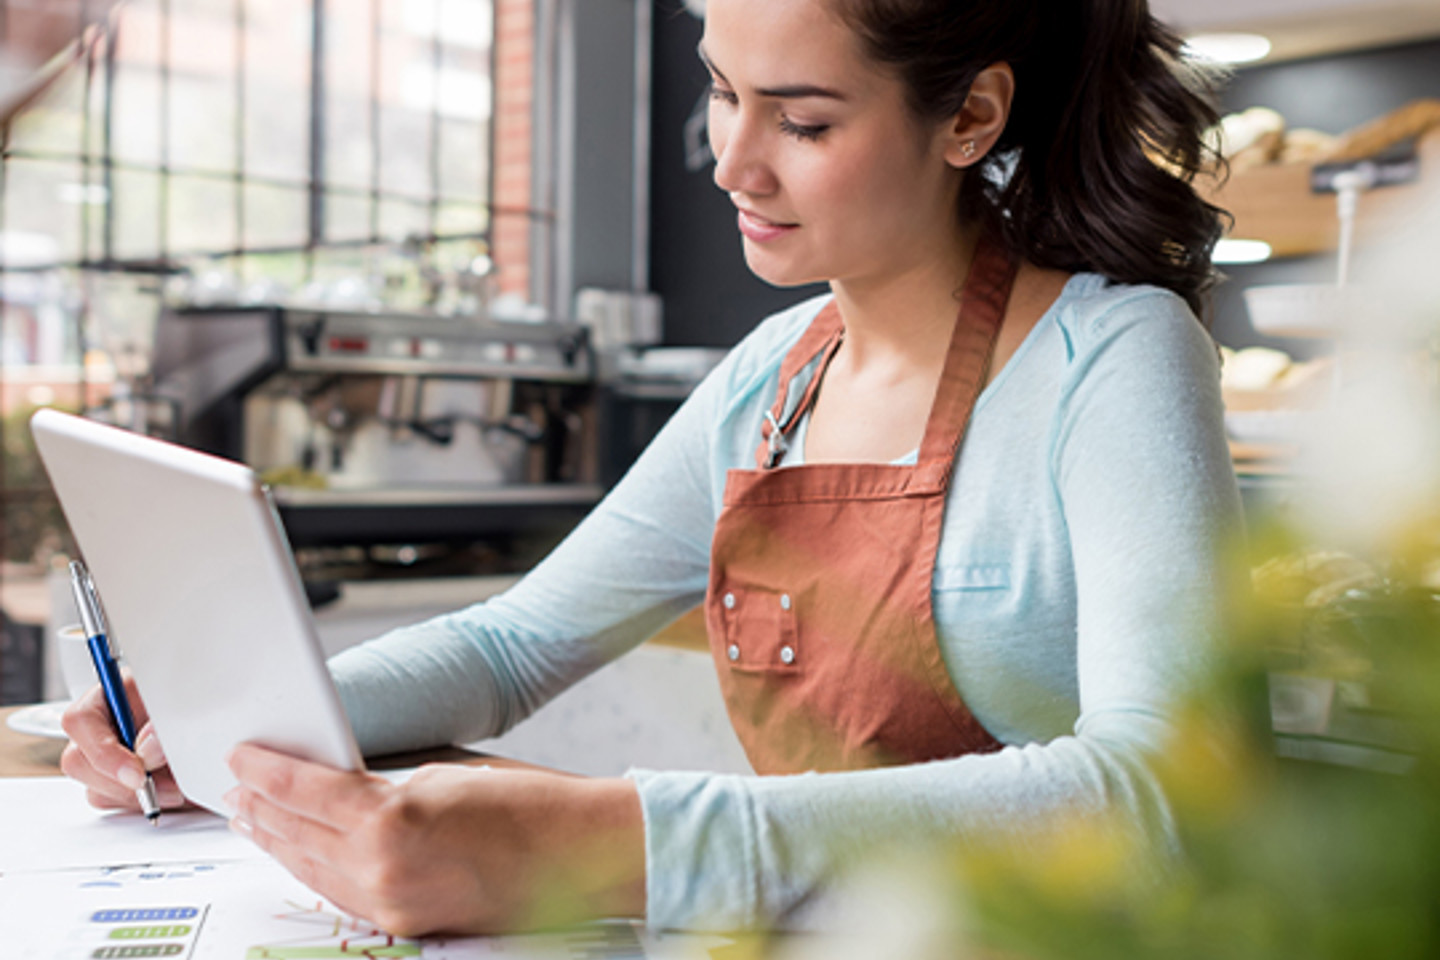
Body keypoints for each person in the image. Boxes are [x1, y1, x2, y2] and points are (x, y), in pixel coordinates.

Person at [60, 0, 1244, 937]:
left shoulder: (1116, 356)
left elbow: (1161, 794)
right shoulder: (773, 374)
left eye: (805, 121)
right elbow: (512, 645)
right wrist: (234, 728)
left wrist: (603, 838)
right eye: (723, 91)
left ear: (971, 117)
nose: (733, 164)